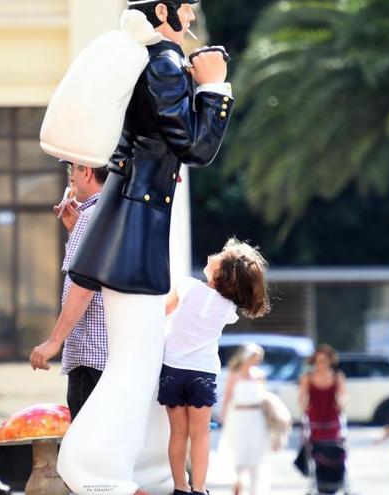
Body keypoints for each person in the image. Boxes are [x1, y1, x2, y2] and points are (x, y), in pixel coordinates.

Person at [30, 1, 234, 493]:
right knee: (136, 365)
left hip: (136, 215)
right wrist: (215, 87)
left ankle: (136, 471)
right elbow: (198, 147)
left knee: (138, 364)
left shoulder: (153, 60)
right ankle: (100, 472)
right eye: (187, 8)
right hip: (138, 220)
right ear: (164, 10)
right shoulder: (162, 63)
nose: (192, 16)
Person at [158, 241, 269, 495]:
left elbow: (162, 312)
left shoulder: (186, 285)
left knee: (177, 433)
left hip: (172, 369)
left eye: (219, 255)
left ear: (222, 272)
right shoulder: (229, 310)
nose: (212, 254)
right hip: (203, 374)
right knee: (201, 434)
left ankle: (180, 487)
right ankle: (199, 488)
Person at [33, 159, 108, 421]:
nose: (70, 178)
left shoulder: (90, 217)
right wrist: (74, 229)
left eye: (72, 170)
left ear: (86, 171)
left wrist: (54, 341)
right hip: (109, 352)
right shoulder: (113, 212)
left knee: (85, 446)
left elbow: (83, 285)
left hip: (89, 354)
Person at [220, 344, 271, 495]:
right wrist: (224, 415)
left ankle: (255, 488)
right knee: (239, 450)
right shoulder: (234, 375)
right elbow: (227, 397)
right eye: (254, 357)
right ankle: (238, 482)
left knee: (257, 451)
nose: (256, 360)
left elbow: (264, 397)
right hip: (238, 417)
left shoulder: (260, 375)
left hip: (256, 417)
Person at [298, 344, 346, 443]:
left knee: (334, 449)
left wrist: (341, 403)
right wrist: (303, 406)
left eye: (324, 361)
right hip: (314, 419)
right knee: (315, 449)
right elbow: (302, 396)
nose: (321, 364)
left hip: (332, 418)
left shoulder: (338, 377)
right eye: (318, 361)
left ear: (330, 361)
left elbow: (343, 395)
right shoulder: (307, 377)